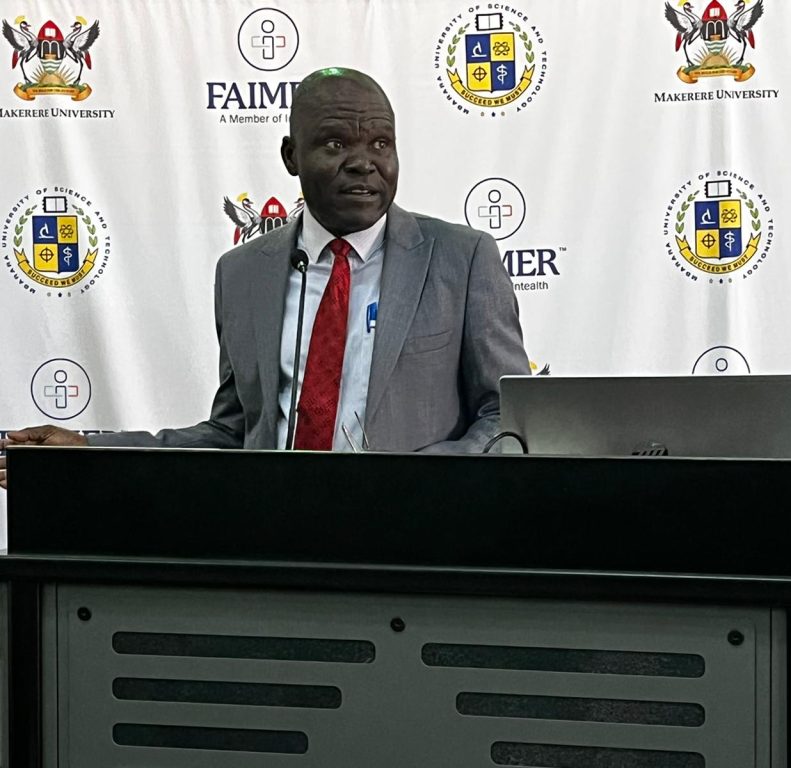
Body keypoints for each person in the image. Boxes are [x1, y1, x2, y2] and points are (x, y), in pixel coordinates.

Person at [0, 67, 529, 488]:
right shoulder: (243, 272)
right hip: (272, 535)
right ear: (290, 156)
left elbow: (504, 412)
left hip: (411, 539)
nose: (363, 163)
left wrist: (418, 479)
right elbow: (234, 432)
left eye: (380, 144)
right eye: (335, 144)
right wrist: (90, 449)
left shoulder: (463, 258)